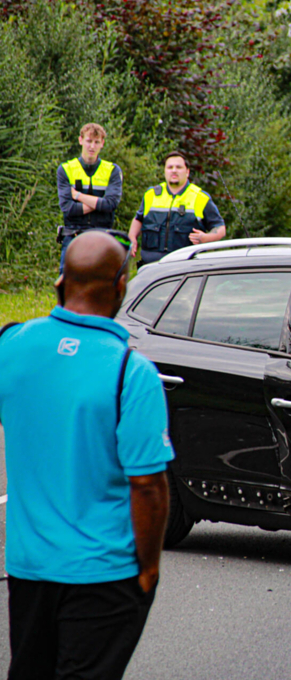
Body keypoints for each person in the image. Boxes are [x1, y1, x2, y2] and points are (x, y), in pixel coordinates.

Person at [0, 230, 174, 679]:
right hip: (104, 574)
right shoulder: (131, 373)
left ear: (59, 282)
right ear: (121, 286)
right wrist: (149, 568)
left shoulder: (11, 346)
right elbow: (149, 486)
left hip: (29, 569)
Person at [128, 151, 226, 264]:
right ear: (165, 171)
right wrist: (132, 237)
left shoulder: (200, 197)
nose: (174, 170)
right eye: (170, 167)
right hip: (151, 266)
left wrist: (205, 238)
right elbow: (138, 219)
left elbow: (220, 228)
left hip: (185, 267)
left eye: (179, 167)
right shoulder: (151, 194)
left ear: (187, 172)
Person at [56, 123, 124, 273]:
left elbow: (111, 204)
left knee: (99, 286)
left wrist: (79, 196)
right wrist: (100, 204)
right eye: (89, 141)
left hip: (102, 237)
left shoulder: (112, 170)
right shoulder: (66, 169)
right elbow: (68, 208)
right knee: (68, 286)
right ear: (80, 140)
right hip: (73, 236)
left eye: (96, 142)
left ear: (102, 144)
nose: (92, 146)